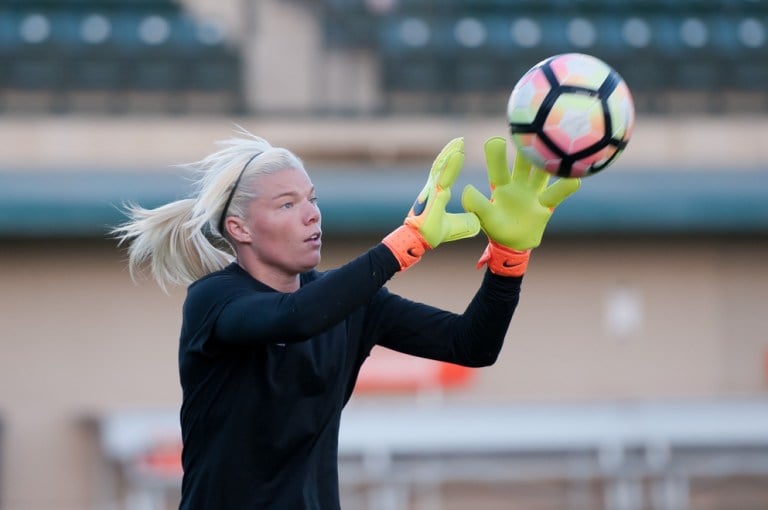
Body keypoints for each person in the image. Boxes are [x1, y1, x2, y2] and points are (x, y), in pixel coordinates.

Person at [112, 128, 580, 509]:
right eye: (287, 204)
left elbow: (472, 346)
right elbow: (293, 319)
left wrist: (509, 260)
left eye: (312, 199)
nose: (312, 215)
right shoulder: (213, 300)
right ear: (240, 228)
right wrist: (404, 244)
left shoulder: (353, 303)